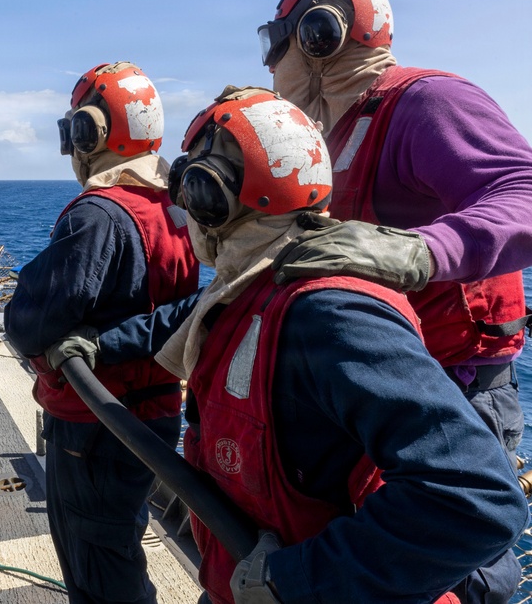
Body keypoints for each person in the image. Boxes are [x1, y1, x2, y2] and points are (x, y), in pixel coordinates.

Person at [157, 85, 528, 604]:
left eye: (190, 189)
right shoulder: (251, 290)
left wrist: (295, 581)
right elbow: (185, 323)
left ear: (211, 197)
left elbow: (479, 502)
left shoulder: (327, 313)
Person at [256, 0, 532, 602]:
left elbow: (520, 191)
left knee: (454, 561)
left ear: (320, 35)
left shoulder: (427, 103)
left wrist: (420, 251)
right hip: (370, 385)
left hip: (451, 385)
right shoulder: (334, 129)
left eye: (279, 42)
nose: (272, 62)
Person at [4, 61, 200, 604]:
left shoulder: (95, 216)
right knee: (121, 538)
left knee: (95, 562)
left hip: (95, 425)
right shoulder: (174, 207)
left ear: (89, 133)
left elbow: (29, 324)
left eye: (73, 133)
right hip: (156, 414)